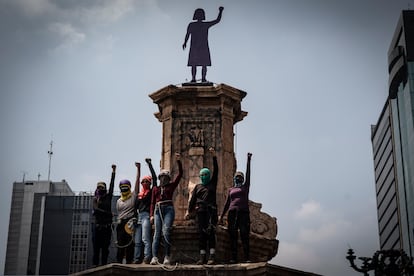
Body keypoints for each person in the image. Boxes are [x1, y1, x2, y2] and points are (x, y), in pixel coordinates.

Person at [186, 147, 218, 265]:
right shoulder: (198, 187)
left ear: (208, 175)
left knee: (211, 233)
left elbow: (217, 170)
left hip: (211, 211)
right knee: (202, 234)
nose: (203, 176)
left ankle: (212, 256)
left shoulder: (212, 184)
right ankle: (202, 256)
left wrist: (214, 156)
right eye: (202, 175)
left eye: (205, 174)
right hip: (200, 212)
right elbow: (192, 200)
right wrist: (189, 211)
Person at [150, 153, 183, 265]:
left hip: (168, 208)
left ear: (168, 178)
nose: (163, 179)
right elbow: (152, 202)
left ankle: (167, 256)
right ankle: (154, 257)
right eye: (162, 177)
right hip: (158, 210)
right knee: (157, 233)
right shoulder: (155, 189)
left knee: (166, 231)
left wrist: (178, 161)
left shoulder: (171, 186)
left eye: (165, 177)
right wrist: (151, 215)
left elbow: (180, 175)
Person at [219, 152, 252, 263]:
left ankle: (247, 257)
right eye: (237, 177)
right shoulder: (231, 189)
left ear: (242, 179)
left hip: (243, 213)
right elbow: (227, 204)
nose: (238, 178)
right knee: (232, 236)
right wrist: (221, 216)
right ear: (234, 179)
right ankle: (233, 257)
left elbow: (248, 174)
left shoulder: (245, 187)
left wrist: (248, 160)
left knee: (244, 234)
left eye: (240, 177)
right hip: (232, 214)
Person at [182, 7, 224, 83]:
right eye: (199, 15)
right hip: (195, 47)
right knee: (194, 64)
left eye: (201, 15)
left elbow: (217, 20)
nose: (200, 16)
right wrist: (185, 42)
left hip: (203, 47)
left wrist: (220, 11)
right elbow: (187, 34)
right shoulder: (192, 25)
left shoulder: (205, 25)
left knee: (203, 64)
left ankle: (203, 78)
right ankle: (193, 78)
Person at [115, 162, 140, 264]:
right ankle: (118, 262)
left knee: (130, 243)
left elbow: (137, 182)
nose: (124, 189)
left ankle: (129, 262)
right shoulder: (118, 201)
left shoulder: (133, 196)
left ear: (129, 187)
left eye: (126, 187)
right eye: (122, 187)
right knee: (120, 243)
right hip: (120, 223)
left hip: (129, 223)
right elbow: (118, 212)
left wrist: (138, 169)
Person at [133, 158, 156, 264]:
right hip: (138, 217)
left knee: (145, 238)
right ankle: (136, 259)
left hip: (146, 216)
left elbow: (155, 179)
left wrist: (149, 165)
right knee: (137, 240)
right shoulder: (139, 194)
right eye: (144, 181)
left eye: (147, 181)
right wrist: (138, 169)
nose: (145, 183)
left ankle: (147, 257)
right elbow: (135, 207)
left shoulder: (151, 192)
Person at [92, 164, 116, 266]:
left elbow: (112, 185)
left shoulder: (108, 197)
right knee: (96, 248)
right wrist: (109, 214)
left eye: (102, 187)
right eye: (98, 187)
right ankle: (95, 266)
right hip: (97, 227)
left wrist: (113, 172)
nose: (100, 188)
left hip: (107, 227)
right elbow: (96, 210)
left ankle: (104, 266)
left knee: (105, 248)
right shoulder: (95, 199)